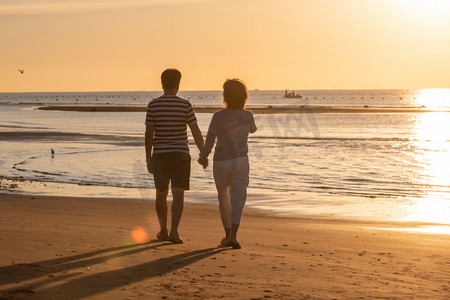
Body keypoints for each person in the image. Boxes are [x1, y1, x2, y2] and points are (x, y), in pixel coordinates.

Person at [145, 68, 206, 244]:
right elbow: (195, 131)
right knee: (178, 195)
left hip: (161, 155)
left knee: (161, 193)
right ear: (178, 85)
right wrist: (203, 152)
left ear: (162, 84)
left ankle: (163, 230)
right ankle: (174, 232)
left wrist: (148, 157)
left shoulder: (153, 105)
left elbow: (149, 134)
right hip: (180, 154)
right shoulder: (185, 105)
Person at [198, 78, 257, 249]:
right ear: (244, 97)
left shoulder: (218, 116)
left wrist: (203, 157)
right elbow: (253, 129)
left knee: (224, 198)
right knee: (238, 198)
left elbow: (210, 139)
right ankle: (234, 236)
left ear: (225, 96)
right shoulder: (248, 115)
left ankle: (226, 235)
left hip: (221, 161)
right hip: (240, 161)